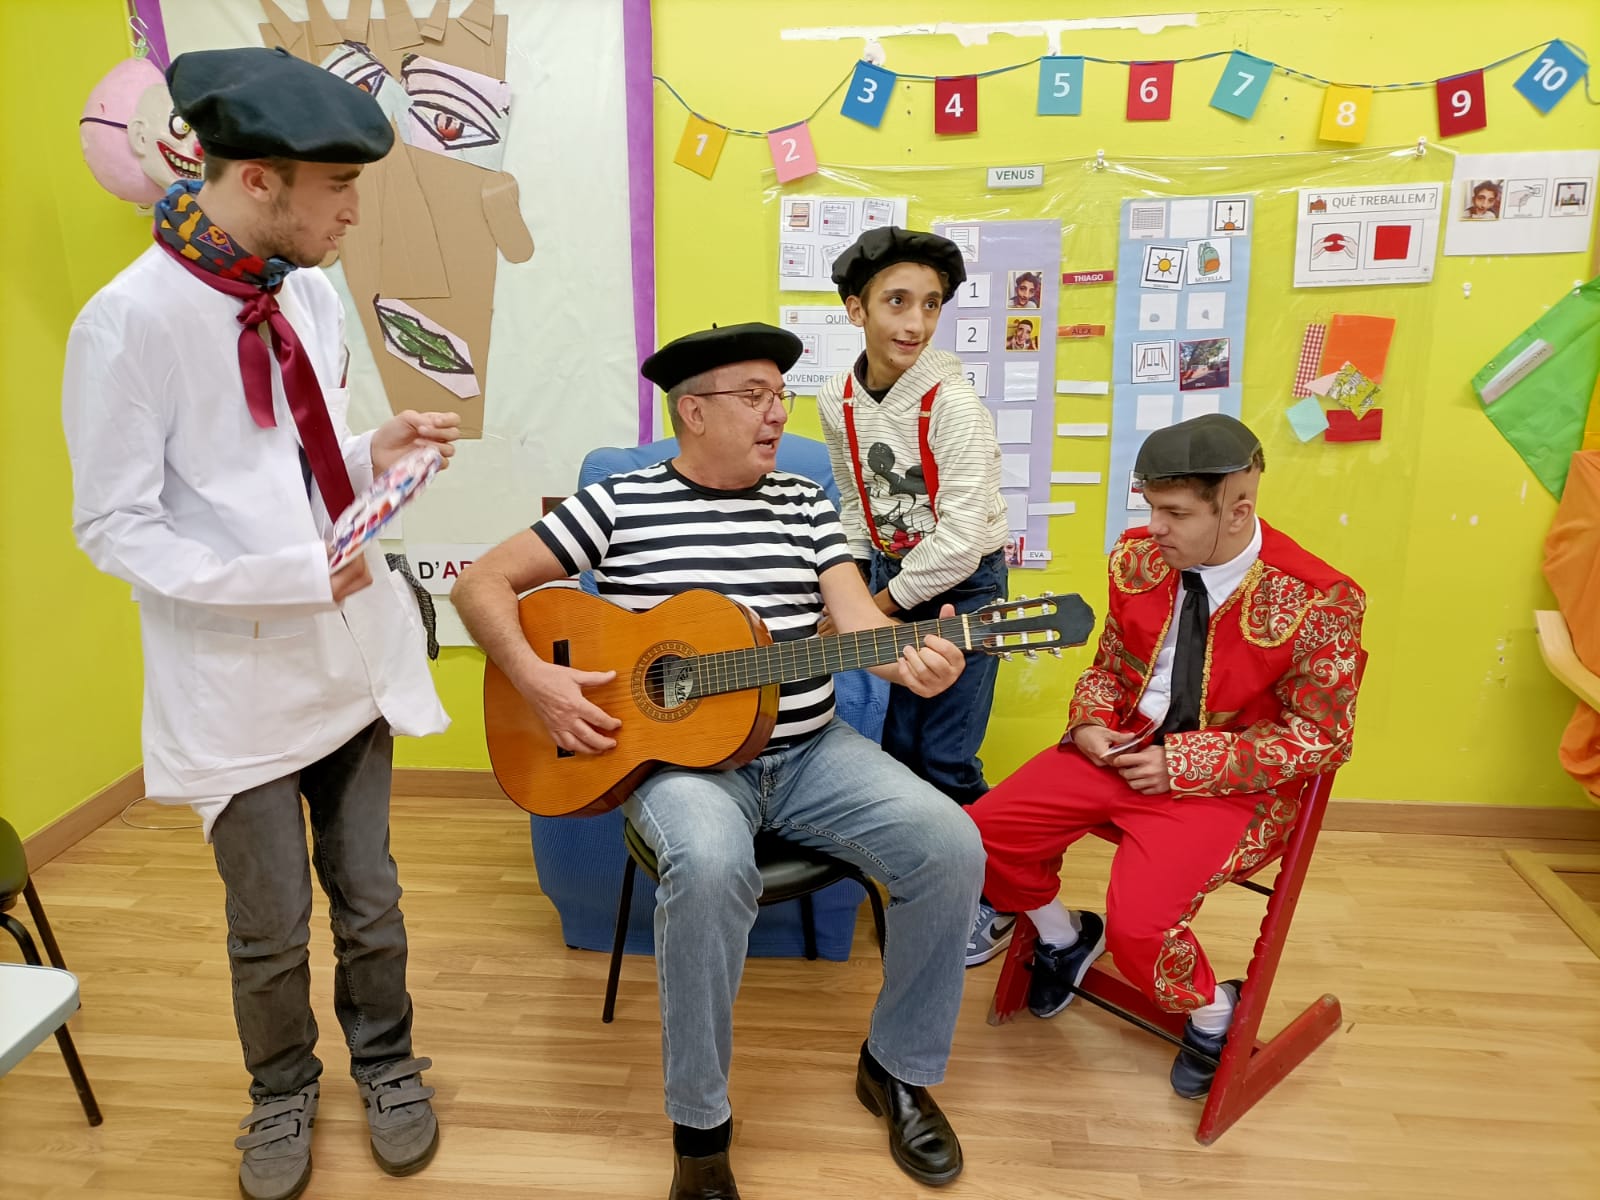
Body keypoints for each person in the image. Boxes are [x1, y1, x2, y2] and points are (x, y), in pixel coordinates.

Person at [451, 323, 986, 1199]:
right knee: (706, 864)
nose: (778, 414)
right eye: (755, 396)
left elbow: (859, 623)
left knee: (952, 844)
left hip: (812, 751)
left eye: (781, 395)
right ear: (693, 411)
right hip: (680, 769)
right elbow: (479, 583)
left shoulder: (807, 504)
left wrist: (912, 660)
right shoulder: (617, 502)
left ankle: (896, 1069)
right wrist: (534, 678)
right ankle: (700, 1126)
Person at [61, 47, 458, 1200]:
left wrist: (376, 452)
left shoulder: (307, 292)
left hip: (347, 657)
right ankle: (280, 1089)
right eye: (337, 189)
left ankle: (387, 1063)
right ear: (254, 182)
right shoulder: (125, 324)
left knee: (371, 898)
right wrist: (288, 575)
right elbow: (115, 529)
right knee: (271, 923)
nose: (351, 214)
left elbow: (298, 453)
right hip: (234, 687)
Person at [967, 414, 1367, 1099]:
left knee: (1140, 930)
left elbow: (1322, 737)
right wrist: (1090, 722)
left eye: (1175, 513)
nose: (1154, 528)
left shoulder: (1319, 598)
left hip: (1230, 786)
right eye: (1150, 507)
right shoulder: (1137, 559)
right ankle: (1063, 937)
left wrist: (1185, 763)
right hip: (1121, 749)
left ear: (1237, 510)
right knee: (974, 835)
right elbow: (1109, 667)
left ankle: (1214, 1012)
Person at [815, 227, 1015, 969]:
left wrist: (876, 608)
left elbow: (960, 539)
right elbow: (855, 506)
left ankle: (989, 899)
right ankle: (926, 888)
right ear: (855, 309)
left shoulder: (952, 404)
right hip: (891, 579)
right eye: (897, 302)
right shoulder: (837, 400)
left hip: (968, 584)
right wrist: (845, 587)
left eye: (930, 304)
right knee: (898, 752)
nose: (916, 322)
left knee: (947, 755)